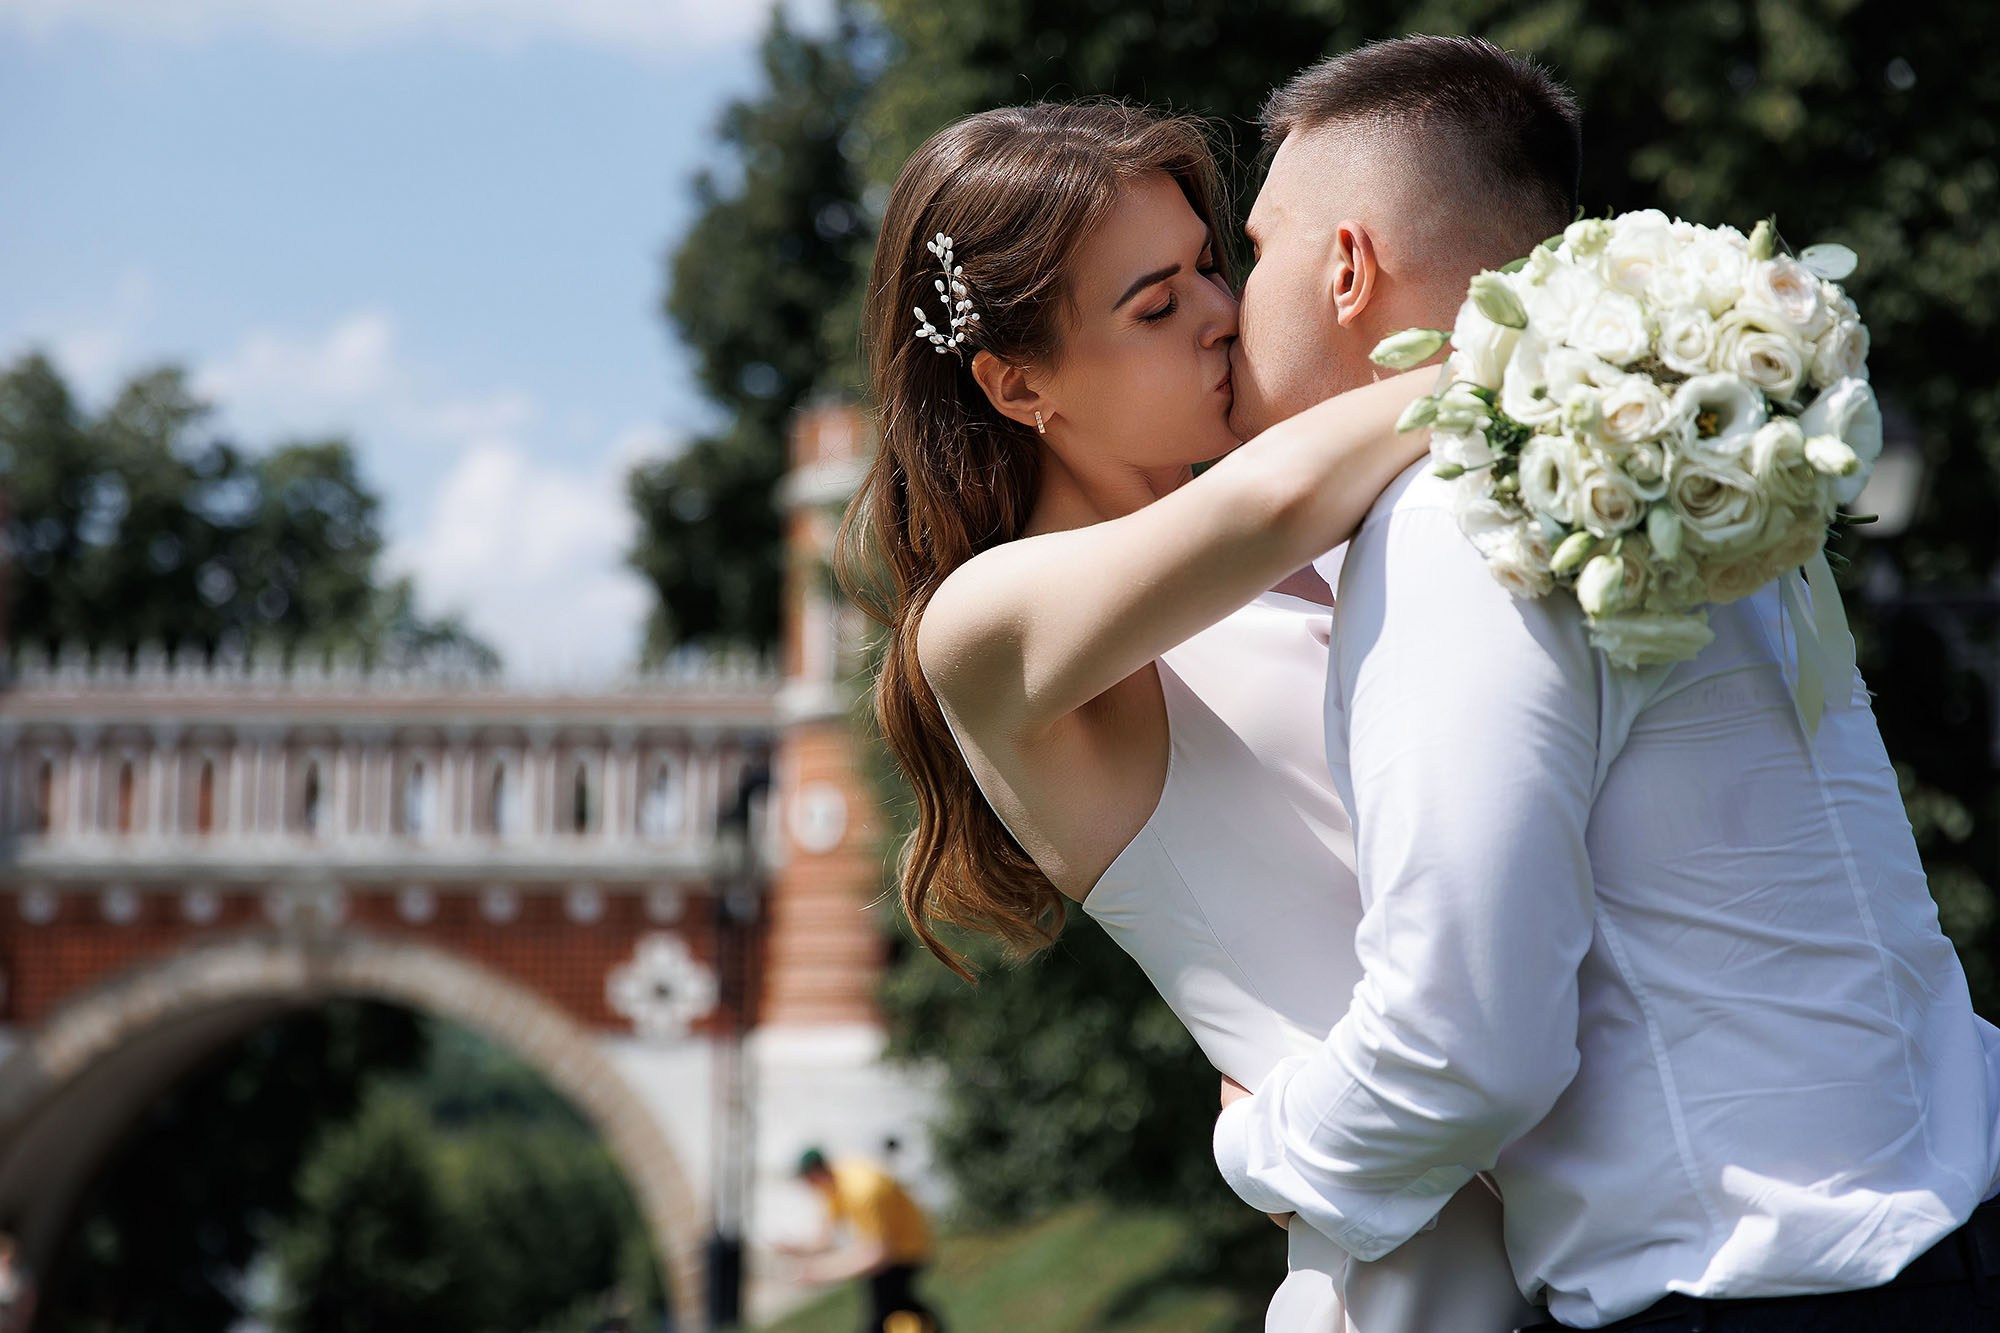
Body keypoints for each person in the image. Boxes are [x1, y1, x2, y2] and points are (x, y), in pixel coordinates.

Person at [1211, 36, 2000, 1332]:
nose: (1234, 304)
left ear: (1346, 267)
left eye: (1257, 250)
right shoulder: (1702, 493)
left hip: (1748, 1292)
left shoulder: (1463, 517)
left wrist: (1265, 1146)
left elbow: (1465, 1047)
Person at [841, 99, 1532, 1329]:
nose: (1222, 312)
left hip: (1595, 1222)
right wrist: (1567, 344)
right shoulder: (984, 627)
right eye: (1153, 306)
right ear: (1016, 384)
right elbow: (1267, 499)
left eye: (1213, 265)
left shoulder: (1328, 536)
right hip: (1420, 1278)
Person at [781, 1147, 944, 1332]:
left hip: (906, 1250)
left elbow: (879, 1255)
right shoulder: (833, 1183)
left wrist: (822, 1273)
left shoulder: (863, 1191)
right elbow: (825, 1239)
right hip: (887, 1251)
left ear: (816, 1173)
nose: (806, 1187)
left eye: (807, 1180)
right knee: (894, 1305)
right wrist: (796, 1249)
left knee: (882, 1313)